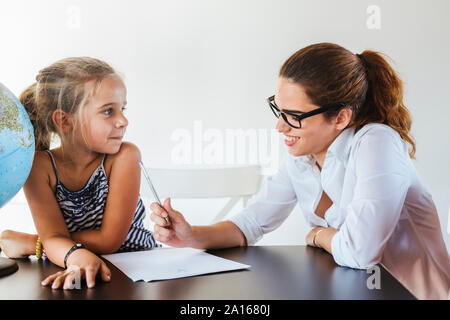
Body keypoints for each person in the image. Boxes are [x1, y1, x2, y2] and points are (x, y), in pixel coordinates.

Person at [150, 43, 450, 299]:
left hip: (414, 295)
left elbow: (361, 252)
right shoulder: (302, 159)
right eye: (278, 110)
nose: (280, 126)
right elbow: (252, 223)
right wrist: (190, 236)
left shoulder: (377, 142)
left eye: (294, 116)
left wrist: (320, 235)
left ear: (341, 117)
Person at [0, 57, 158, 289]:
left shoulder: (125, 156)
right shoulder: (39, 167)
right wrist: (67, 251)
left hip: (139, 274)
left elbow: (109, 240)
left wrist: (34, 243)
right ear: (64, 121)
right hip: (77, 267)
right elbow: (53, 237)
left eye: (122, 109)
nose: (123, 121)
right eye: (108, 111)